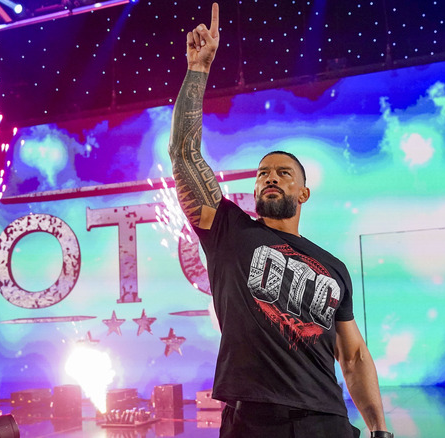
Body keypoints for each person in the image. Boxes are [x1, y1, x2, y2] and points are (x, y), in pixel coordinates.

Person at [168, 4, 392, 437]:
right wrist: (198, 69)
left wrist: (380, 429)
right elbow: (184, 153)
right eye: (262, 173)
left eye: (283, 173)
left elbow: (354, 356)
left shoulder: (334, 268)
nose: (270, 177)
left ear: (303, 193)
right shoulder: (229, 230)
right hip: (253, 420)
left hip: (326, 421)